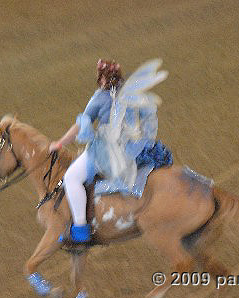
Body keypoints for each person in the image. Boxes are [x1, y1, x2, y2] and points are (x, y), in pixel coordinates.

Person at [49, 59, 168, 243]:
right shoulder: (132, 91)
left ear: (102, 78)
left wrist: (60, 143)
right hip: (135, 149)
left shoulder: (99, 97)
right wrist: (145, 140)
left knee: (72, 177)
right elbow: (149, 117)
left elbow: (82, 124)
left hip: (106, 150)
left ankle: (80, 228)